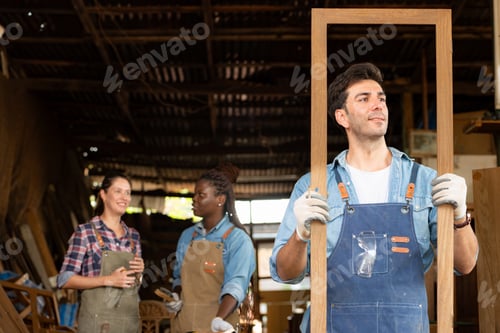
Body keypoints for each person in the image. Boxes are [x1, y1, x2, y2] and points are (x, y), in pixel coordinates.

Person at [269, 62, 479, 333]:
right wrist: (300, 235)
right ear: (342, 117)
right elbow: (287, 273)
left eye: (381, 98)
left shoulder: (425, 181)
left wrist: (461, 218)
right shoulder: (315, 187)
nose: (378, 104)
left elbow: (465, 265)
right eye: (364, 99)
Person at [166, 162, 256, 333]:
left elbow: (236, 284)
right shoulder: (187, 236)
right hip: (184, 326)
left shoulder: (237, 240)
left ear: (220, 200)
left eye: (201, 195)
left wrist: (218, 319)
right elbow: (178, 278)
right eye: (195, 194)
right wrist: (175, 296)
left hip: (218, 327)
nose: (194, 199)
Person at [57, 172, 145, 333]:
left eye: (128, 192)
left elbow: (135, 284)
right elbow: (64, 279)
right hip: (97, 324)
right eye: (118, 191)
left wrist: (140, 272)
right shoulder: (85, 232)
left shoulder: (133, 236)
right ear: (103, 195)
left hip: (129, 323)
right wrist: (108, 280)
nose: (124, 197)